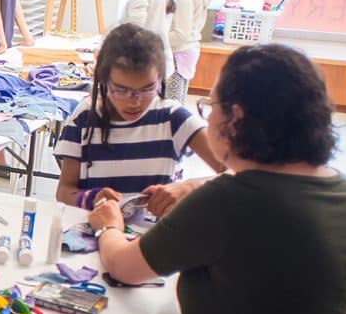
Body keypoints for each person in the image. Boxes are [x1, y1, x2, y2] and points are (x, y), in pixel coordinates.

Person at [89, 44, 346, 314]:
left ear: (235, 118)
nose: (208, 117)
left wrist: (109, 225)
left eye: (211, 105)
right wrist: (195, 185)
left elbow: (123, 267)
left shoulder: (227, 201)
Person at [55, 23, 224, 209]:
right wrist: (91, 198)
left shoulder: (172, 118)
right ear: (103, 79)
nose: (134, 102)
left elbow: (239, 173)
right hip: (95, 229)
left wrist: (190, 187)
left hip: (154, 234)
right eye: (121, 90)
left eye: (147, 89)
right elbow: (64, 191)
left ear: (161, 79)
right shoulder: (84, 118)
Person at [164, 0, 222, 103]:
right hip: (186, 53)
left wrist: (152, 39)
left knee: (169, 110)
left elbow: (180, 35)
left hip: (176, 56)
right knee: (175, 104)